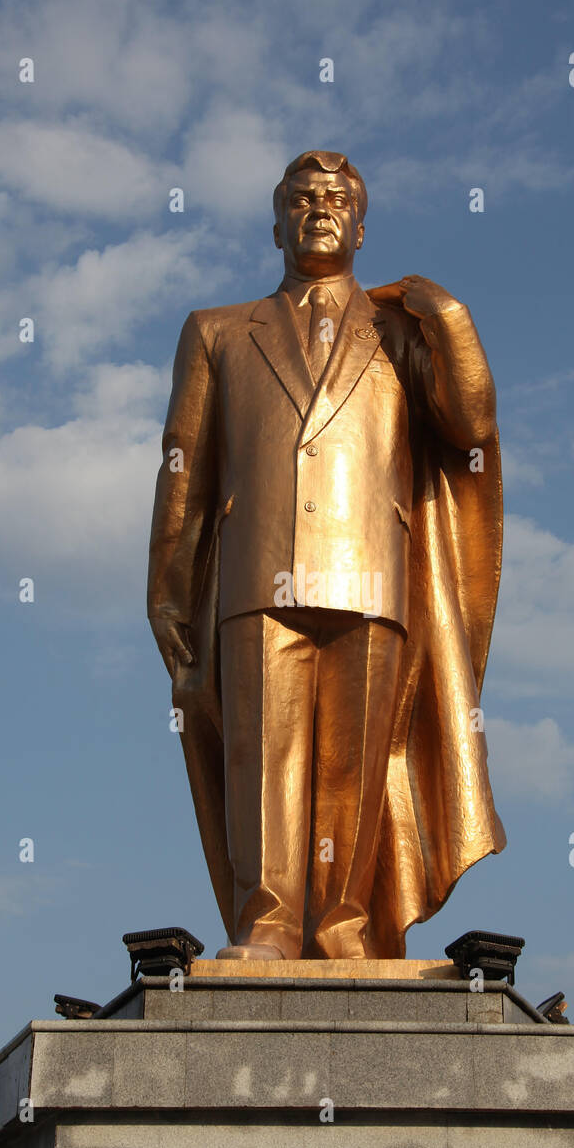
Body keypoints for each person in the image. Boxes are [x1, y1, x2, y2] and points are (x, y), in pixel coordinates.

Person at [148, 150, 505, 960]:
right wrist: (169, 592)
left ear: (363, 226)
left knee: (355, 767)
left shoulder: (401, 332)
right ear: (276, 222)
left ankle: (344, 924)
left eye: (338, 199)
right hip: (254, 573)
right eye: (302, 199)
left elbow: (470, 428)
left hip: (371, 575)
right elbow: (185, 471)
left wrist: (449, 320)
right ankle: (267, 922)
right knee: (261, 761)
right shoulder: (215, 331)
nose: (320, 209)